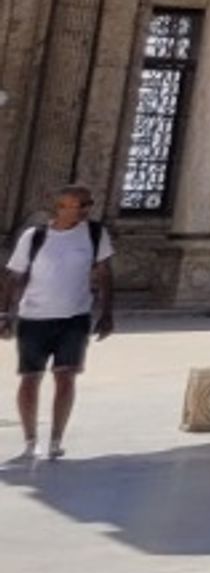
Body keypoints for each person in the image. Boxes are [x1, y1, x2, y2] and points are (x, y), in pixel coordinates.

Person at [5, 185, 115, 463]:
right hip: (34, 316)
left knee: (66, 377)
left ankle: (56, 439)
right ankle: (31, 440)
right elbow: (15, 275)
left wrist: (107, 312)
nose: (84, 210)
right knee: (31, 378)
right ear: (61, 206)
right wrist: (5, 313)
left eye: (87, 204)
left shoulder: (94, 233)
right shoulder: (35, 237)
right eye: (78, 205)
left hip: (75, 317)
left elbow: (104, 273)